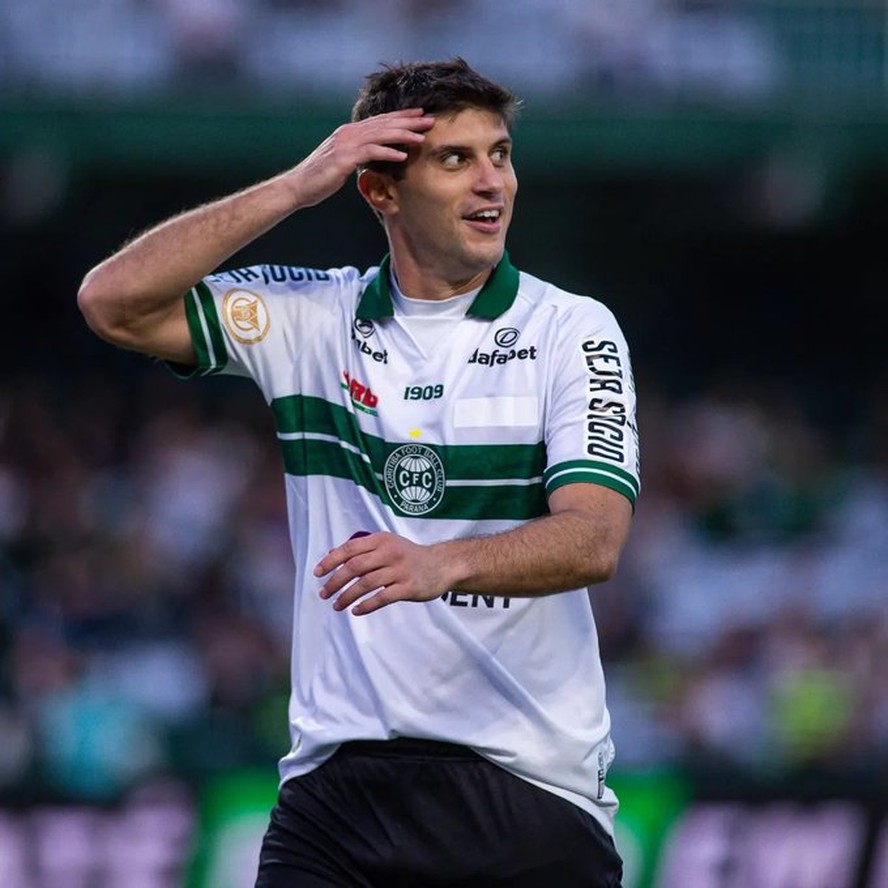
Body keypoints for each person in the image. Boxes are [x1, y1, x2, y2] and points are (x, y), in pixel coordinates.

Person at [78, 58, 639, 887]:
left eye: (500, 154)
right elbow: (112, 302)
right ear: (380, 191)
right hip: (335, 796)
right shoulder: (312, 317)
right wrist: (295, 188)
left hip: (527, 794)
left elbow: (595, 539)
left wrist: (439, 564)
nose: (492, 182)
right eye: (455, 160)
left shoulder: (571, 329)